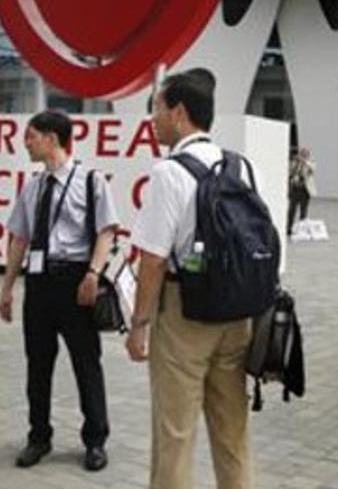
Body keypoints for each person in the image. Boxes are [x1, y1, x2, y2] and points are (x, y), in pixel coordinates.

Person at [126, 70, 256, 488]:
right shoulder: (239, 165)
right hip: (237, 315)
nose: (153, 118)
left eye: (157, 109)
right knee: (232, 432)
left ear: (179, 112)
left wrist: (139, 325)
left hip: (185, 316)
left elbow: (152, 260)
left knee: (175, 434)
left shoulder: (168, 172)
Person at [0, 110, 119, 471]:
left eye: (31, 136)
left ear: (52, 138)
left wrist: (94, 274)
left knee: (86, 363)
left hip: (76, 282)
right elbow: (19, 237)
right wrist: (7, 289)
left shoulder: (91, 180)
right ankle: (38, 437)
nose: (26, 142)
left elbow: (106, 231)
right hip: (38, 285)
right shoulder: (32, 187)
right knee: (37, 364)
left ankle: (95, 440)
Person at [287, 147, 316, 235]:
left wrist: (304, 161)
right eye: (302, 153)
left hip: (304, 190)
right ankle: (289, 228)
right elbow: (290, 171)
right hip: (295, 188)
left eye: (305, 154)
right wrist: (295, 163)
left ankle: (302, 229)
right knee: (291, 210)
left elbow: (312, 169)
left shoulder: (311, 162)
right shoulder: (295, 162)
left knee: (303, 210)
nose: (303, 155)